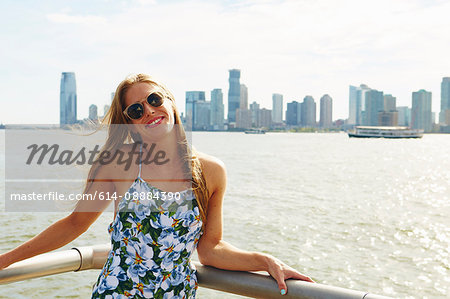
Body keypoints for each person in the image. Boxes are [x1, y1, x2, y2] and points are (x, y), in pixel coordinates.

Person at [0, 73, 314, 298]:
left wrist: (265, 261)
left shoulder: (212, 171)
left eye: (154, 99)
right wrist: (6, 259)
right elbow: (75, 223)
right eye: (136, 110)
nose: (149, 111)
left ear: (170, 102)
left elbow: (210, 249)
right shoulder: (117, 163)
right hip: (118, 292)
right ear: (130, 125)